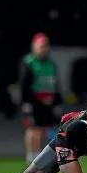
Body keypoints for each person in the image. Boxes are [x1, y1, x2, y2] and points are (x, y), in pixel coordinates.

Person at [20, 33, 63, 164]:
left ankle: (37, 154)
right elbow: (23, 84)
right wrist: (25, 101)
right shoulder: (28, 63)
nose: (43, 49)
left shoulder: (51, 65)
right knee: (32, 128)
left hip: (47, 100)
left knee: (42, 128)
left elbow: (55, 84)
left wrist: (56, 101)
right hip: (34, 100)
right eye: (41, 46)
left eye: (45, 46)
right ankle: (31, 154)